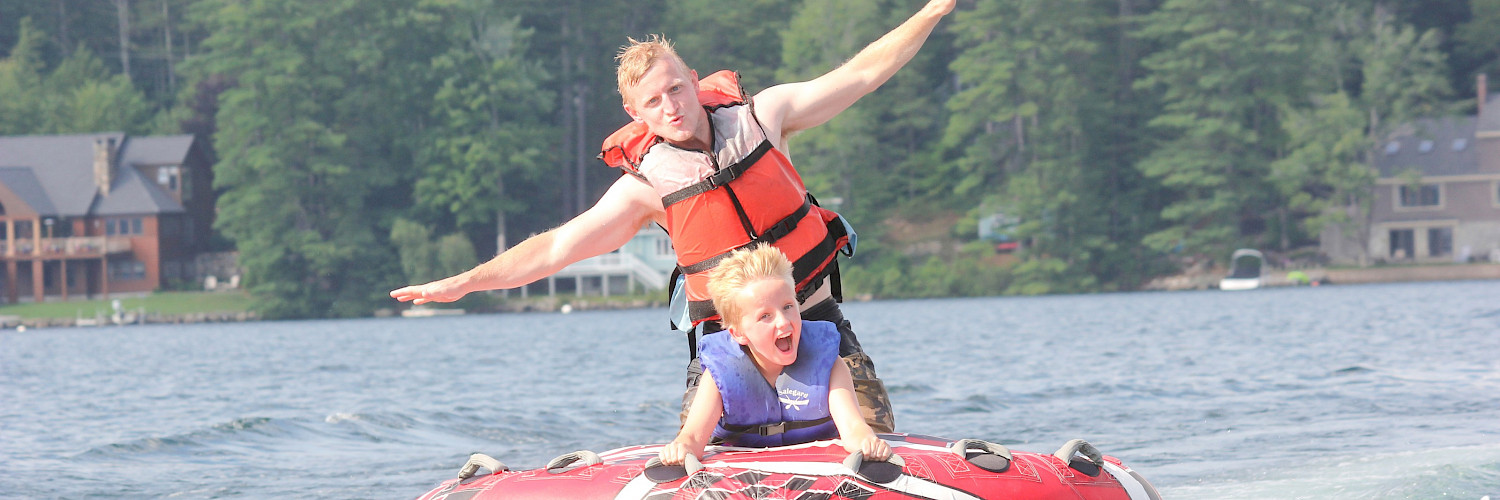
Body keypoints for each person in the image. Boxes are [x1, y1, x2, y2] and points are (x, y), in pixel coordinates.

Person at [390, 0, 956, 434]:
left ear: (692, 80)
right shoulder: (644, 189)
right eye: (654, 102)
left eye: (676, 89)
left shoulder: (765, 117)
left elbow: (861, 75)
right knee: (696, 455)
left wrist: (931, 10)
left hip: (818, 328)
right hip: (726, 354)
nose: (672, 107)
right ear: (634, 114)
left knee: (875, 444)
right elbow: (557, 248)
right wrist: (465, 282)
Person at [659, 246, 889, 466]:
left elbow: (853, 428)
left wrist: (865, 440)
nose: (783, 321)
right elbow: (693, 439)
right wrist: (681, 447)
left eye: (788, 306)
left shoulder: (830, 364)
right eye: (765, 316)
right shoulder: (719, 376)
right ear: (738, 333)